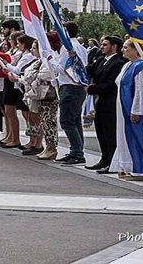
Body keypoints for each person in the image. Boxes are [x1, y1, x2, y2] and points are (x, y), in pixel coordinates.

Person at [110, 39, 143, 181]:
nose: (123, 50)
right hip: (124, 107)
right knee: (126, 137)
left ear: (135, 50)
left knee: (138, 137)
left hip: (135, 109)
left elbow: (141, 90)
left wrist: (136, 110)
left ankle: (140, 169)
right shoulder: (128, 65)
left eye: (125, 47)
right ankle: (127, 166)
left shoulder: (140, 66)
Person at [85, 36, 127, 173]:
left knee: (110, 133)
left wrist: (92, 89)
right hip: (100, 102)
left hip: (110, 102)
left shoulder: (118, 63)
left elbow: (111, 85)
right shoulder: (102, 60)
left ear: (114, 47)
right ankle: (104, 158)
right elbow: (89, 69)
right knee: (101, 132)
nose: (102, 47)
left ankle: (112, 161)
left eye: (105, 44)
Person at [50, 22, 89, 165]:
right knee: (75, 120)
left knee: (66, 121)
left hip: (69, 86)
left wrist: (50, 60)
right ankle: (76, 150)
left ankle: (77, 152)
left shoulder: (66, 48)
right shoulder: (81, 47)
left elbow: (63, 69)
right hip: (78, 87)